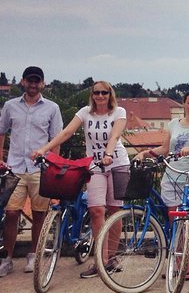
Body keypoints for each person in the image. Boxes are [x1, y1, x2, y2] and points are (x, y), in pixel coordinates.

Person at [34, 81, 129, 278]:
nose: (100, 96)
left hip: (117, 163)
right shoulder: (85, 112)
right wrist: (44, 149)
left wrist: (109, 153)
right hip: (94, 165)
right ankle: (100, 261)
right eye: (96, 92)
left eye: (104, 92)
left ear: (110, 94)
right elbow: (67, 132)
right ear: (92, 94)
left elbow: (115, 135)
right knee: (96, 210)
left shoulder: (119, 112)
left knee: (114, 209)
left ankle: (112, 257)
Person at [135, 89, 189, 280]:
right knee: (175, 222)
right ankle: (177, 263)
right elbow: (164, 148)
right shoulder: (172, 124)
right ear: (184, 104)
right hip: (171, 175)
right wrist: (145, 153)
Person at [0, 66, 63, 277]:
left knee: (39, 214)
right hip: (14, 168)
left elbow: (56, 139)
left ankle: (33, 255)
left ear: (42, 84)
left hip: (40, 169)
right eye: (30, 81)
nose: (34, 85)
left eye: (37, 81)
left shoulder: (52, 108)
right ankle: (6, 258)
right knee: (11, 213)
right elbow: (1, 132)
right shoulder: (10, 106)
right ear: (23, 82)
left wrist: (54, 166)